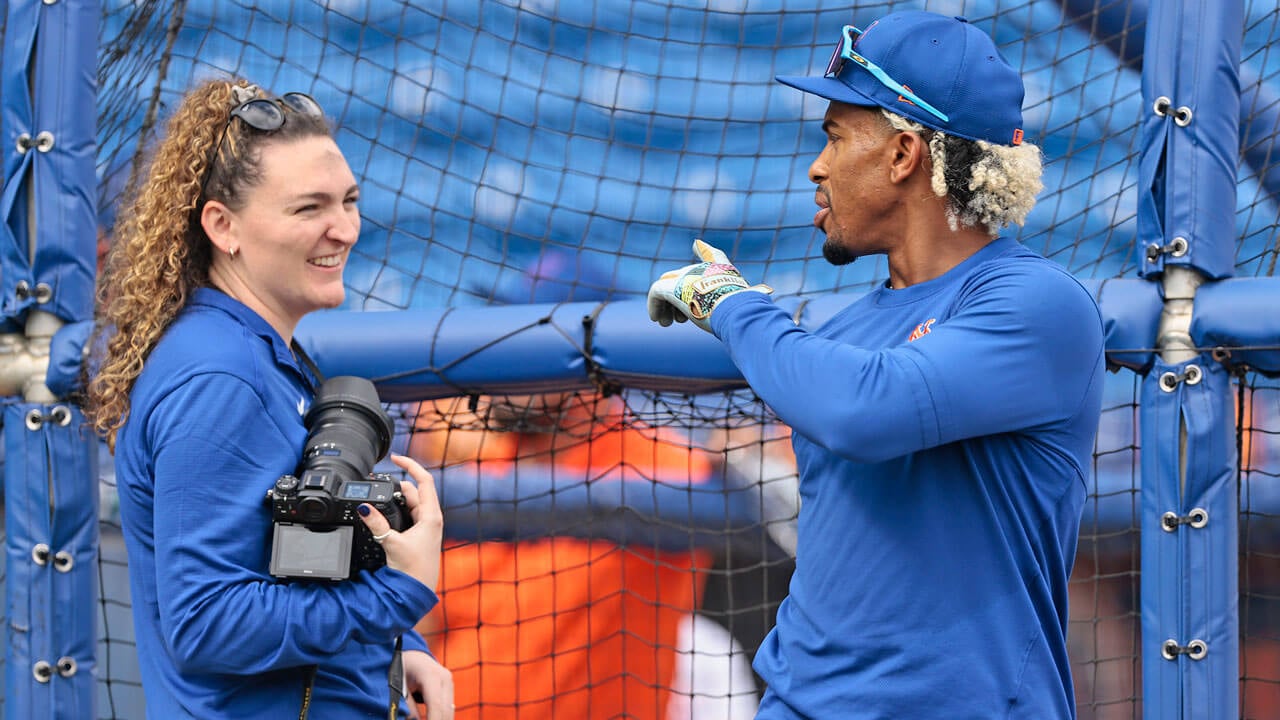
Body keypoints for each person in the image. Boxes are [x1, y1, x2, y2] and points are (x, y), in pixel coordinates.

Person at [647, 10, 1105, 719]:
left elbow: (867, 411)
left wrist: (732, 305)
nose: (817, 165)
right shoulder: (846, 327)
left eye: (835, 136)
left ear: (903, 154)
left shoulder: (1038, 304)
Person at [84, 78, 453, 719]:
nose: (344, 229)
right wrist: (397, 596)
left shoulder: (247, 349)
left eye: (348, 201)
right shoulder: (221, 381)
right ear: (223, 226)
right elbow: (204, 624)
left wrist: (398, 644)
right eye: (308, 209)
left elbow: (301, 563)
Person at [408, 251, 747, 719]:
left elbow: (769, 470)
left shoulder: (664, 465)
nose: (498, 353)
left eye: (526, 337)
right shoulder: (473, 465)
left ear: (591, 359)